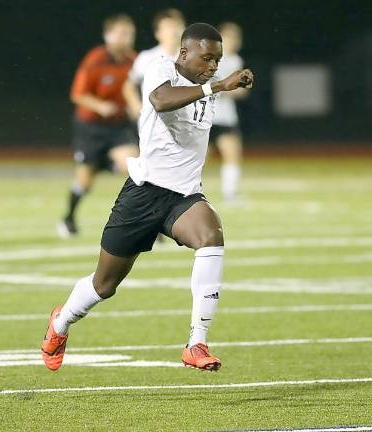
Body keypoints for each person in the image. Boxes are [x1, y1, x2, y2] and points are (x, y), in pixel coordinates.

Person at [41, 23, 254, 372]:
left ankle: (196, 342)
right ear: (184, 53)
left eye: (217, 60)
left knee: (211, 237)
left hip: (183, 195)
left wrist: (232, 82)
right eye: (207, 58)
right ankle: (61, 322)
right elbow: (161, 101)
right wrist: (215, 86)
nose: (213, 66)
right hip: (143, 193)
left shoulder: (207, 82)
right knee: (104, 285)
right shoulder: (160, 68)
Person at [57, 14, 139, 238]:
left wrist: (136, 106)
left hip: (118, 127)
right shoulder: (96, 59)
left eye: (130, 33)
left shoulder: (135, 61)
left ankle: (150, 224)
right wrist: (100, 105)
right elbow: (78, 94)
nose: (127, 38)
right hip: (90, 127)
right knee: (85, 179)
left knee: (136, 169)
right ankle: (69, 217)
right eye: (121, 33)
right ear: (108, 35)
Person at [123, 9, 186, 121]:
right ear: (158, 33)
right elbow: (129, 85)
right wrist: (136, 105)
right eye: (168, 27)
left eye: (177, 26)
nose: (173, 31)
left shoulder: (194, 60)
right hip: (154, 123)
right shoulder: (146, 57)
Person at [211, 22, 249, 203]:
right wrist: (227, 88)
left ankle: (230, 194)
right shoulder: (210, 59)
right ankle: (184, 194)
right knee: (197, 159)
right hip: (207, 117)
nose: (233, 41)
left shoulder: (236, 60)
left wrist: (236, 89)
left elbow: (241, 89)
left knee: (233, 154)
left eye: (236, 38)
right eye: (229, 37)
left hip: (226, 117)